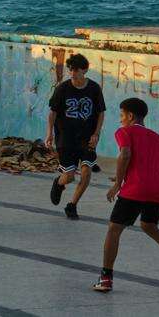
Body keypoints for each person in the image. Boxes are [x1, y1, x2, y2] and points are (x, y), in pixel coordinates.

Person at [93, 97, 159, 292]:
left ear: (130, 116)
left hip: (135, 188)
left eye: (122, 115)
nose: (120, 119)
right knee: (149, 226)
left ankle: (106, 278)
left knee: (114, 229)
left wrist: (117, 183)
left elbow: (125, 154)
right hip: (158, 191)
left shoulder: (124, 132)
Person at [45, 53, 106, 219]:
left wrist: (96, 133)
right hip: (66, 138)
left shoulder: (94, 88)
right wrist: (49, 134)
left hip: (87, 138)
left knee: (86, 172)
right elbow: (52, 113)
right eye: (70, 69)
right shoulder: (62, 89)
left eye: (76, 70)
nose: (72, 73)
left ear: (84, 70)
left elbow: (101, 113)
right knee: (69, 177)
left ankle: (72, 205)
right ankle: (59, 183)